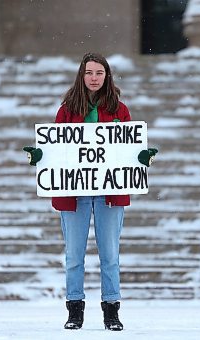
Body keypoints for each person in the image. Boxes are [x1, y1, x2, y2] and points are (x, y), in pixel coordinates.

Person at [24, 52, 157, 331]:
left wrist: (141, 157)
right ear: (81, 76)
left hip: (110, 190)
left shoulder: (120, 110)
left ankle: (111, 311)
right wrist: (41, 156)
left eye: (99, 73)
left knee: (110, 254)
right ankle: (75, 310)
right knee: (74, 255)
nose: (94, 78)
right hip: (75, 192)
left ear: (107, 76)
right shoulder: (66, 110)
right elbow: (56, 147)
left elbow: (128, 148)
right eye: (89, 73)